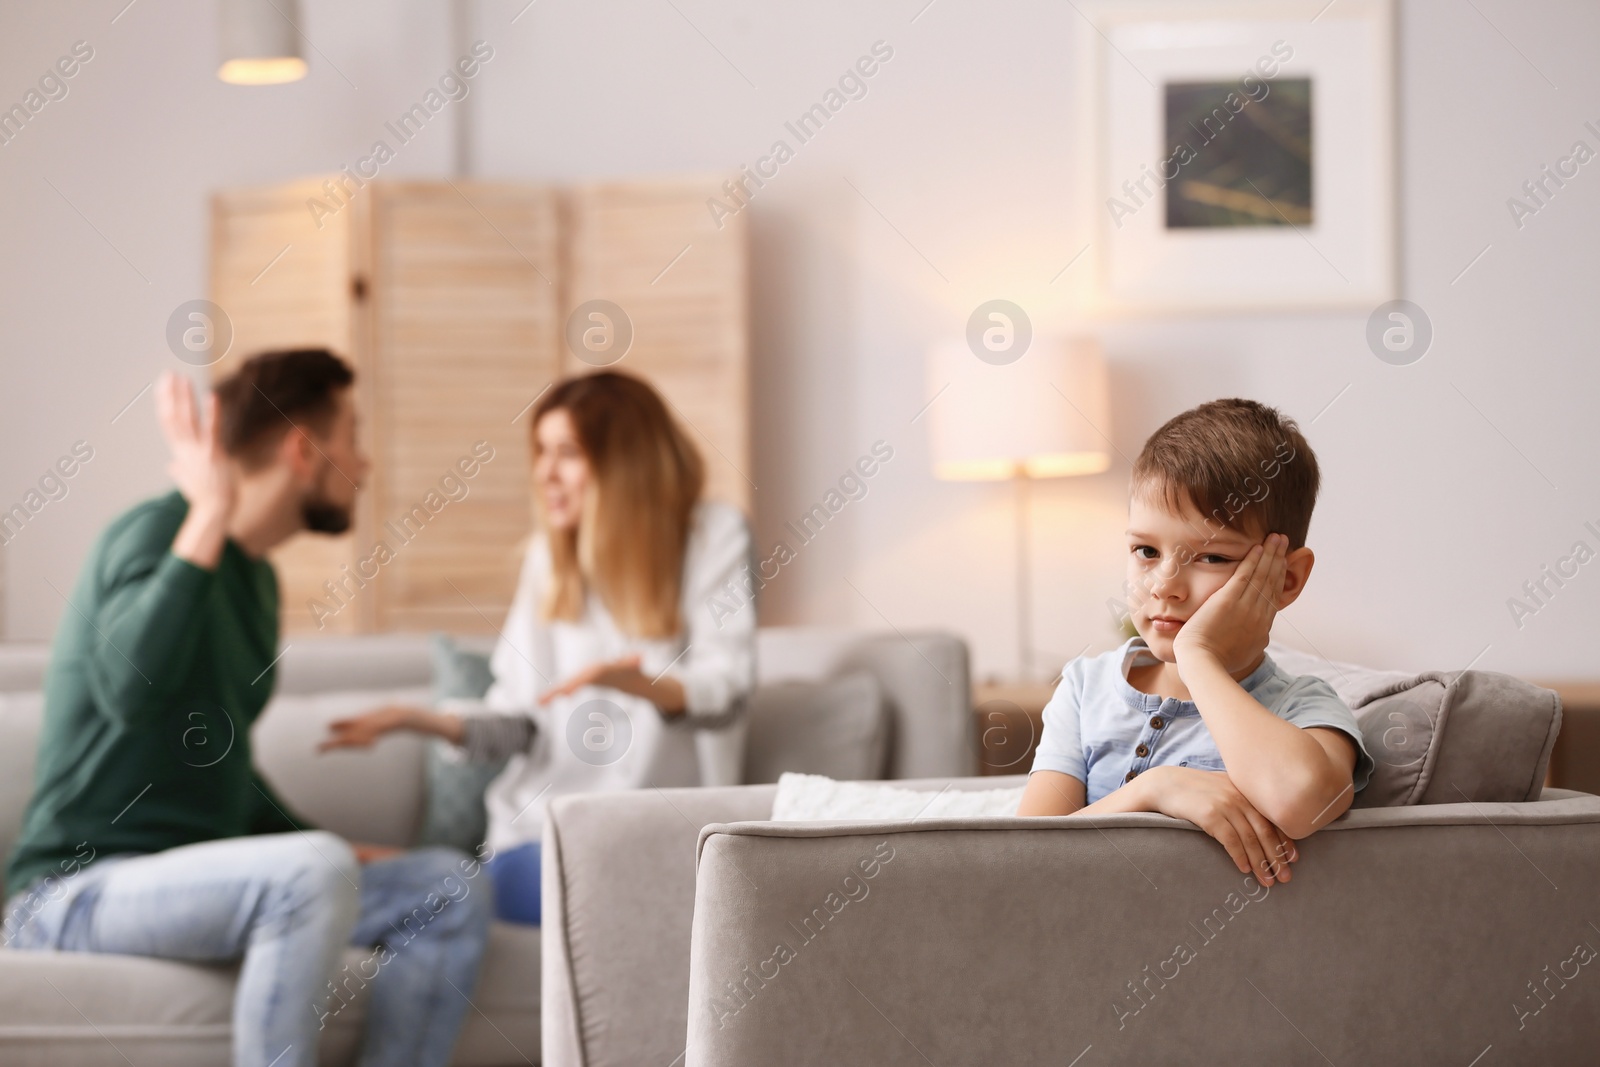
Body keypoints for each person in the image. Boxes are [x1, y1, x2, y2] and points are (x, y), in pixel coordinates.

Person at [2, 352, 492, 1067]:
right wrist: (208, 515)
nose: (365, 462)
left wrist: (343, 845)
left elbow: (221, 763)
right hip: (74, 893)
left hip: (208, 883)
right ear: (303, 449)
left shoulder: (255, 581)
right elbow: (130, 694)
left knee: (448, 885)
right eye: (351, 436)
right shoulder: (154, 535)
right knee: (310, 872)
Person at [321, 371, 757, 926]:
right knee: (456, 899)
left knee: (466, 899)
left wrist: (641, 684)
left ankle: (427, 884)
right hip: (544, 835)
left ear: (626, 461)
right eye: (541, 452)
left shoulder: (712, 536)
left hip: (662, 837)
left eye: (567, 453)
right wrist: (418, 721)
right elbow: (522, 724)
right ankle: (430, 885)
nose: (544, 473)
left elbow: (727, 695)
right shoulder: (549, 563)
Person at [1017, 398, 1375, 887]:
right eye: (1146, 550)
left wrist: (1199, 657)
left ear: (1286, 580)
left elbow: (1299, 802)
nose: (1165, 584)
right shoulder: (1086, 689)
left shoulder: (1301, 707)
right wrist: (1157, 790)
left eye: (1210, 557)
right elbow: (1023, 858)